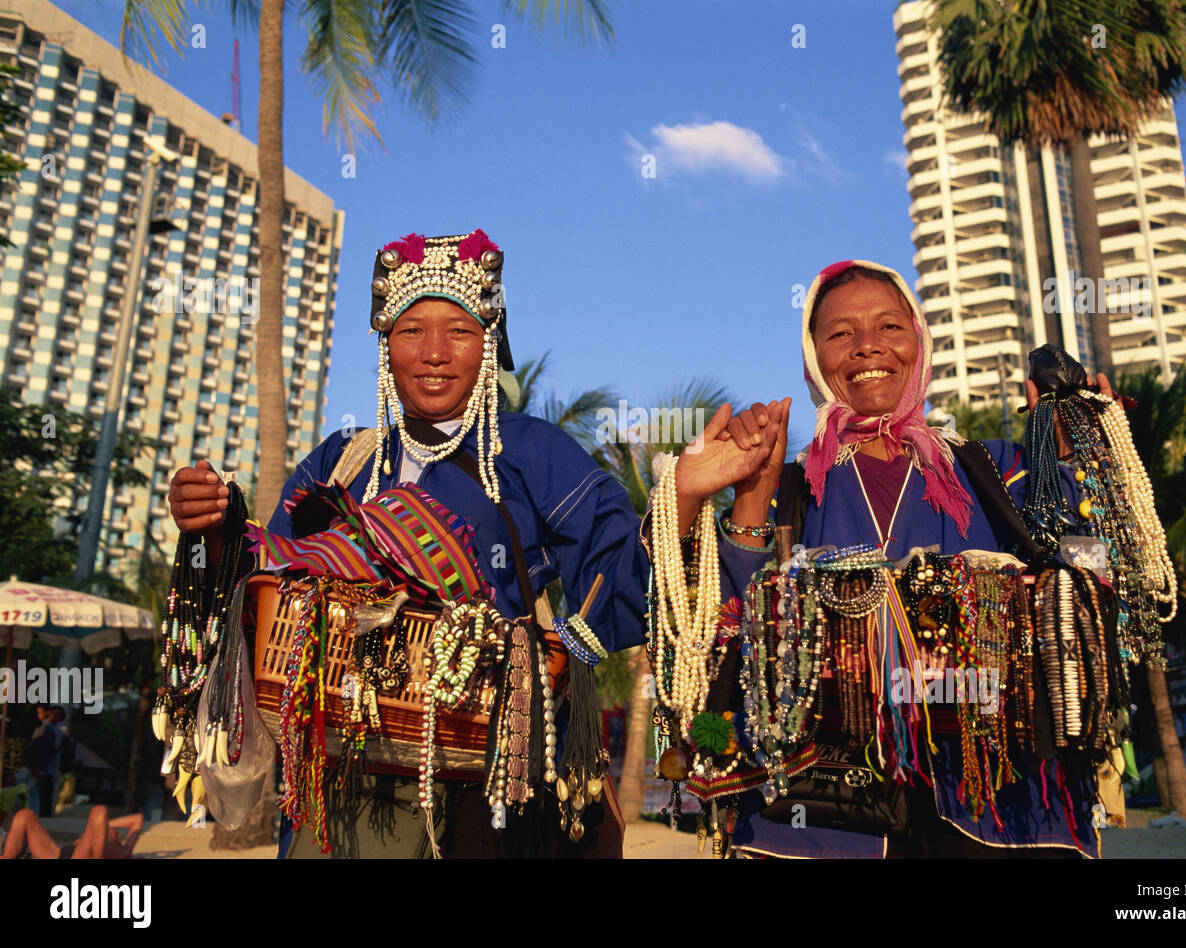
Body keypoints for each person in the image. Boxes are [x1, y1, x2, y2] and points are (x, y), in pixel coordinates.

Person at [167, 229, 648, 858]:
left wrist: (563, 649)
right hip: (338, 770)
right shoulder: (343, 463)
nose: (435, 353)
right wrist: (215, 529)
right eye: (411, 330)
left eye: (461, 331)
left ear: (490, 344)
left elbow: (624, 562)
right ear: (385, 346)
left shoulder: (529, 451)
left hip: (480, 774)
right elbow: (264, 588)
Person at [672, 258, 1117, 858]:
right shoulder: (788, 488)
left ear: (919, 341)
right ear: (814, 359)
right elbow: (728, 631)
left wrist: (1079, 449)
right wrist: (748, 498)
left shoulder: (1000, 471)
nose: (866, 347)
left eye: (888, 327)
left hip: (1002, 802)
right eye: (839, 334)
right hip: (822, 813)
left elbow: (1094, 575)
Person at [0, 806, 142, 859]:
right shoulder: (95, 832)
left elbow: (137, 820)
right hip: (58, 854)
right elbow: (137, 819)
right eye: (109, 829)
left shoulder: (124, 849)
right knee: (25, 816)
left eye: (115, 832)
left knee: (99, 811)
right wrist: (103, 825)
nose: (113, 831)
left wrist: (103, 825)